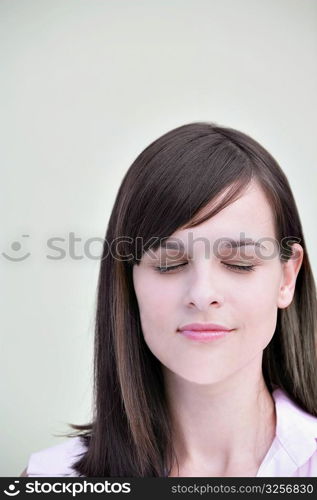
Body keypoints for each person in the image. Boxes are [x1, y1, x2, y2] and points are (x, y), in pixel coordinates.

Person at [21, 122, 317, 477]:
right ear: (127, 281)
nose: (203, 294)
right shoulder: (52, 478)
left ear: (287, 278)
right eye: (169, 263)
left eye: (239, 263)